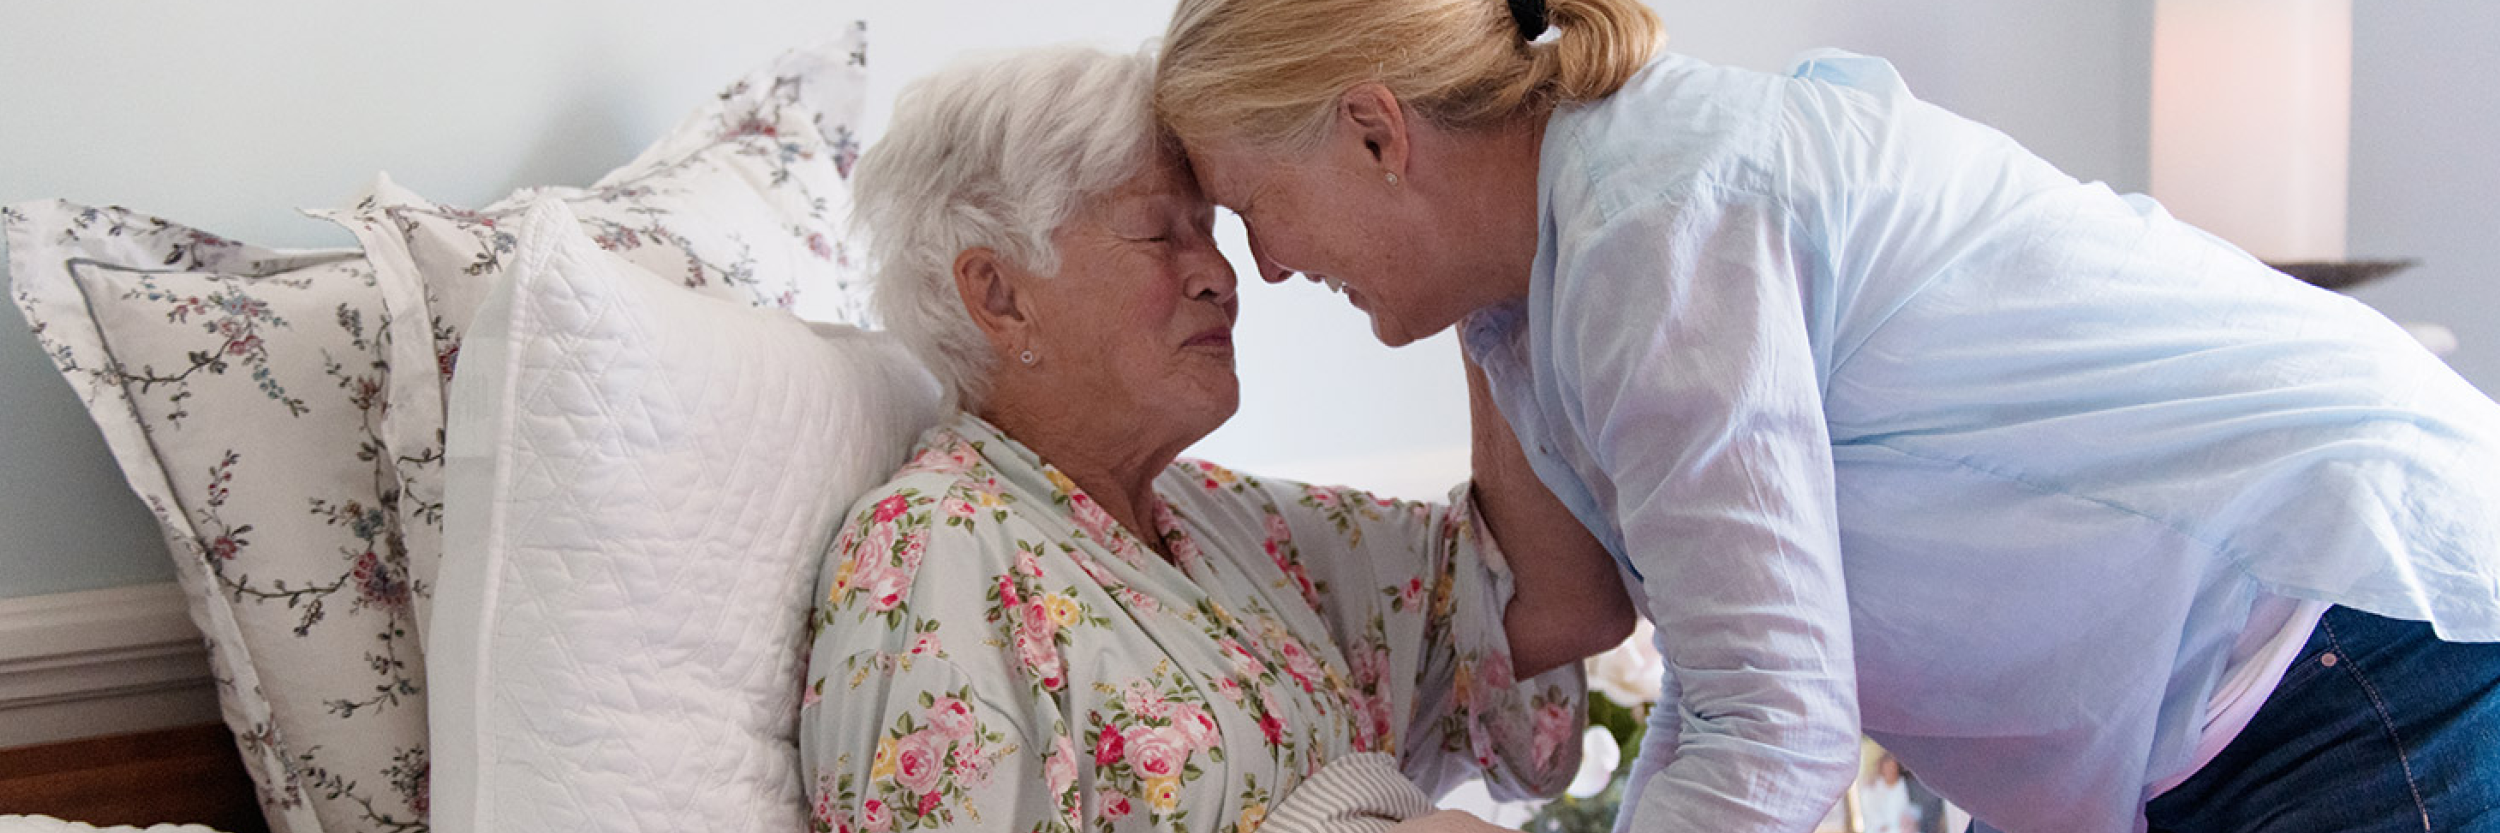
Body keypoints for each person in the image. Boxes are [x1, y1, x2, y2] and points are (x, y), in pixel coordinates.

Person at [1150, 0, 2500, 830]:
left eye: (1253, 206)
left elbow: (1775, 727)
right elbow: (1718, 677)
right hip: (2241, 704)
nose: (1265, 265)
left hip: (2346, 636)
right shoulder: (1545, 286)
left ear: (1377, 133)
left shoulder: (1654, 227)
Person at [798, 45, 1635, 833]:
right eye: (1160, 234)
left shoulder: (1221, 522)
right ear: (999, 296)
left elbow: (1551, 605)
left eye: (1209, 231)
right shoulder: (934, 545)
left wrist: (1468, 253)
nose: (1222, 276)